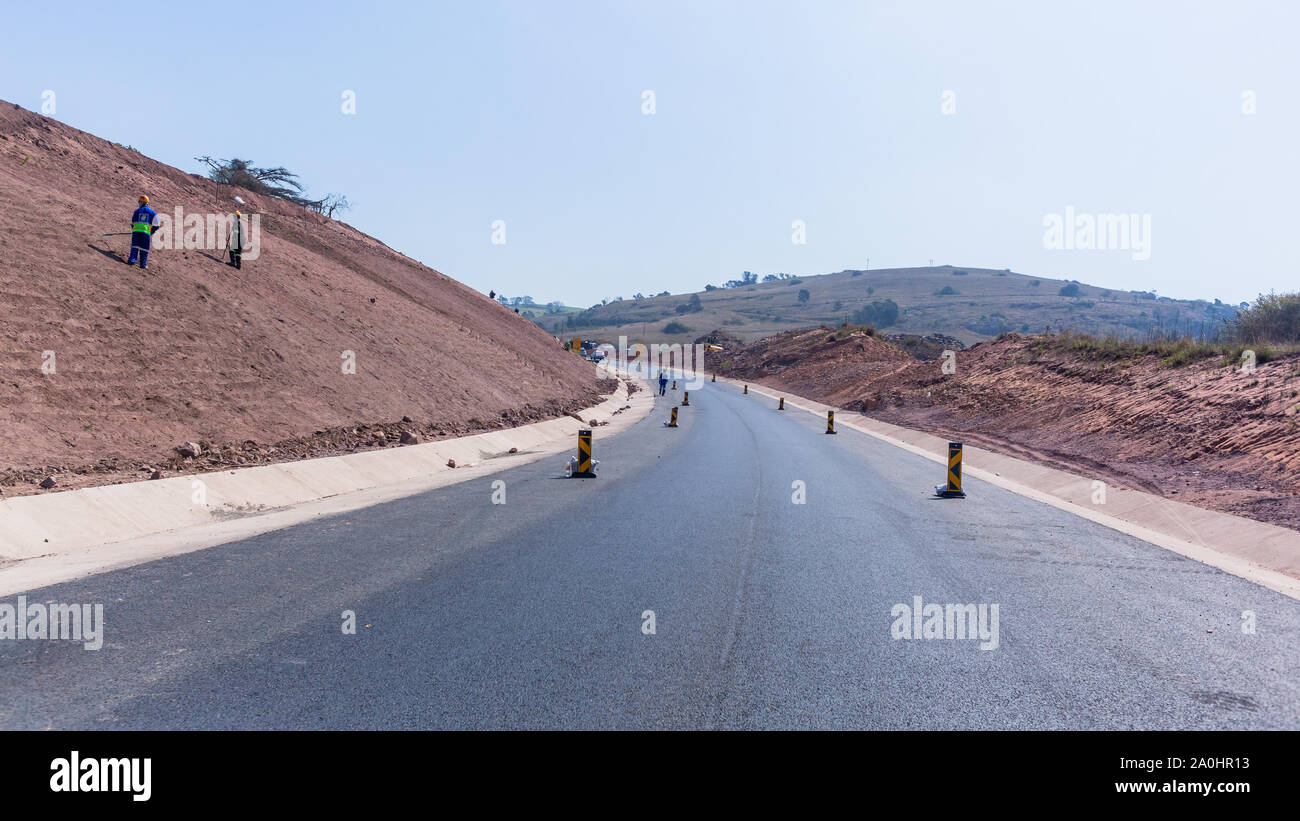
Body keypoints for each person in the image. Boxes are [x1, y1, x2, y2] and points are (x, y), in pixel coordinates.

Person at [127, 195, 160, 269]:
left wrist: (135, 230)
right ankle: (143, 264)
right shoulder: (152, 213)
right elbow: (157, 225)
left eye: (139, 202)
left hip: (136, 232)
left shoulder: (137, 211)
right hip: (146, 233)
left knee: (135, 246)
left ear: (141, 202)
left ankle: (132, 260)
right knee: (144, 248)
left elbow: (133, 223)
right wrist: (151, 232)